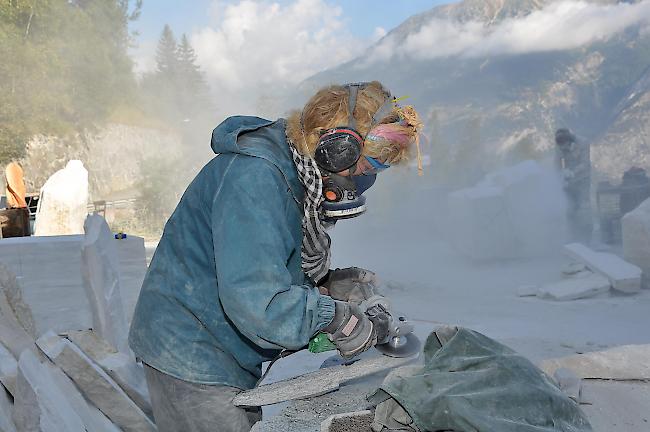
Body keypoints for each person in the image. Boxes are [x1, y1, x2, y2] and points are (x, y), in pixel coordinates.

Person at [128, 81, 422, 432]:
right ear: (337, 149)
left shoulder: (289, 170)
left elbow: (264, 260)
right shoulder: (255, 179)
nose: (364, 183)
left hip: (219, 343)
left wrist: (326, 284)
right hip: (190, 353)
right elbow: (258, 301)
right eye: (366, 170)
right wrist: (339, 318)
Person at [554, 128, 592, 242]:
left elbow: (585, 163)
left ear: (570, 141)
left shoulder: (583, 143)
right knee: (570, 208)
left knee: (584, 207)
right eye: (561, 147)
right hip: (569, 181)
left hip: (583, 178)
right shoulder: (559, 145)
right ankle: (573, 236)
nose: (563, 149)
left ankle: (587, 237)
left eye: (565, 146)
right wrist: (560, 175)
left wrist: (573, 172)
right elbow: (556, 164)